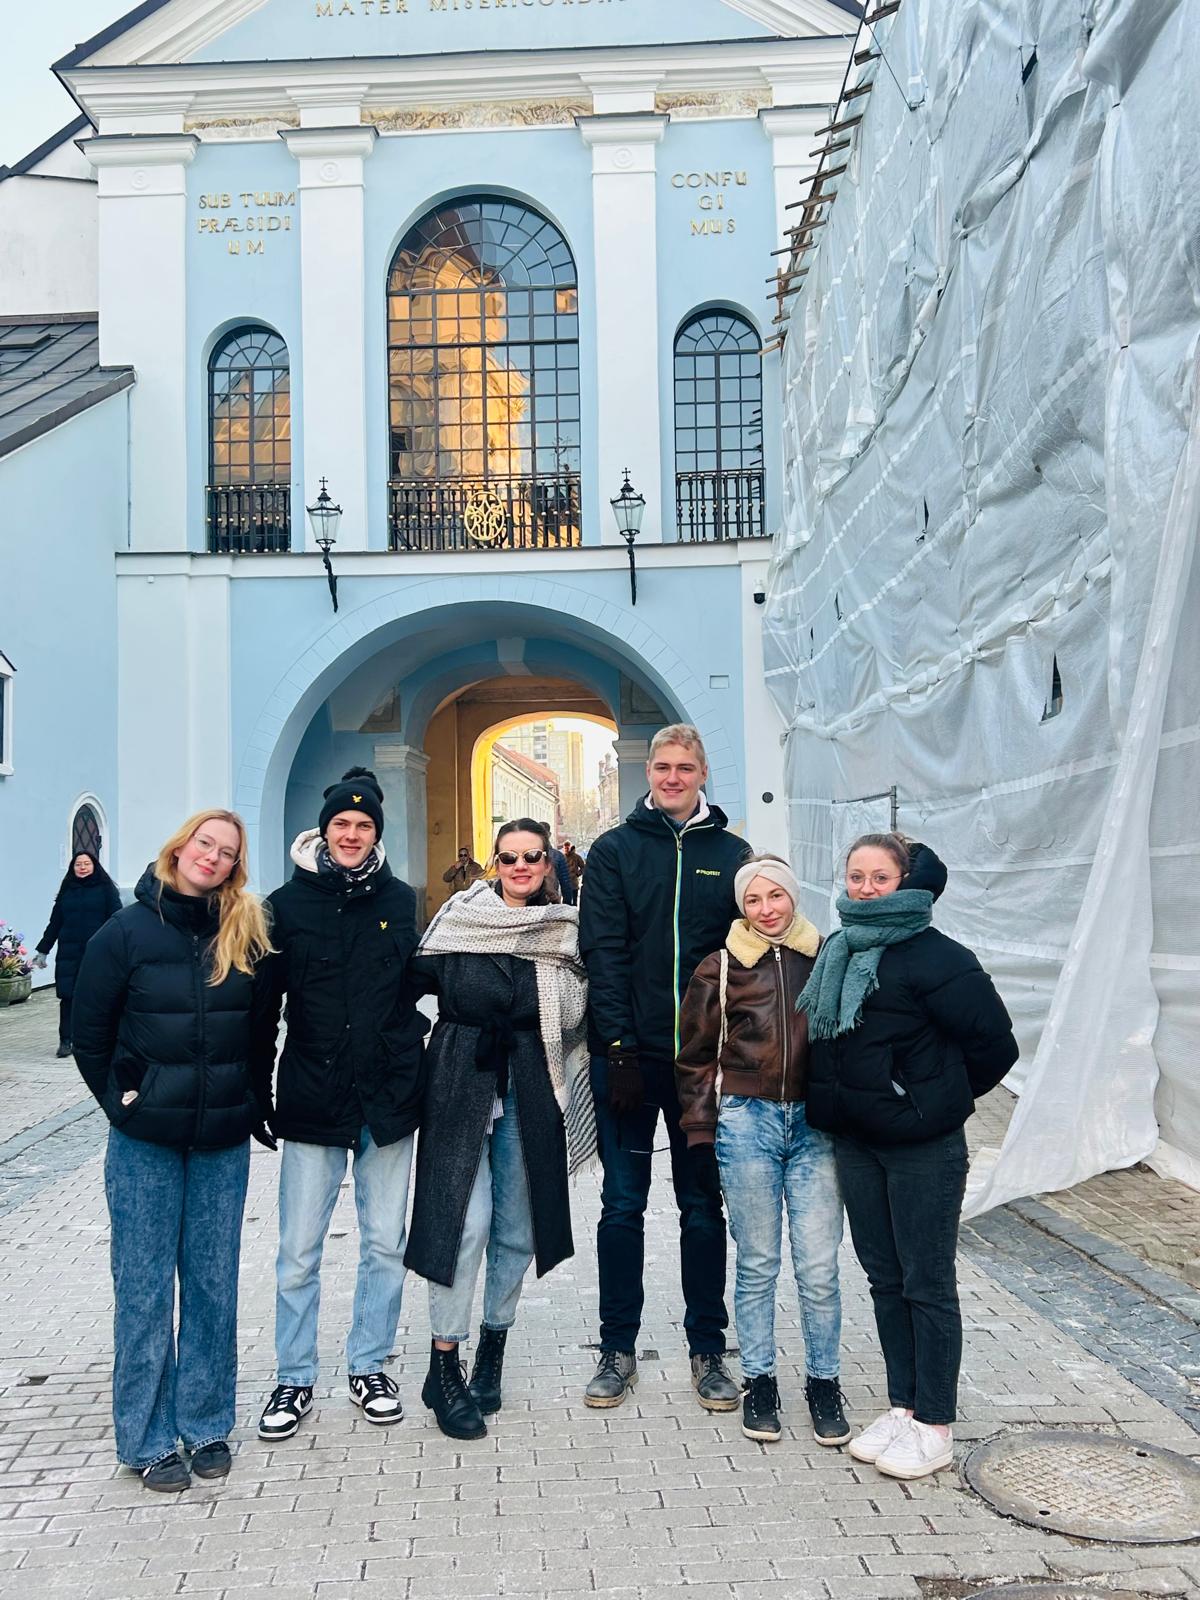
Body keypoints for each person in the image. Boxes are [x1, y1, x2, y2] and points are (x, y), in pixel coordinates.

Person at [799, 833, 1018, 1480]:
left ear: (907, 883)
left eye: (880, 878)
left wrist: (928, 1102)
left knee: (927, 1284)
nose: (866, 888)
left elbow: (994, 1046)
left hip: (923, 1149)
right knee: (885, 1279)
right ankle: (903, 1406)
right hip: (857, 1142)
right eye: (857, 876)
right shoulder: (839, 948)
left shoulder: (938, 957)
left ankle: (935, 1423)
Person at [70, 810, 274, 1491]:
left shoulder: (242, 931)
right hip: (145, 1145)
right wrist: (120, 1101)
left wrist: (251, 1100)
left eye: (225, 852)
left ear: (235, 866)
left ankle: (207, 1423)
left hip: (221, 1140)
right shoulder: (122, 933)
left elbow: (256, 1030)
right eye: (203, 844)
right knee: (146, 1291)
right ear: (180, 847)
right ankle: (148, 1438)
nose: (211, 858)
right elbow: (89, 1030)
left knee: (214, 1286)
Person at [251, 767, 427, 1443]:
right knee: (298, 1249)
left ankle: (368, 1365)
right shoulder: (283, 906)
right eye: (341, 825)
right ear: (323, 832)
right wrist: (257, 1090)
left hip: (385, 1098)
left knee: (385, 1243)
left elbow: (413, 987)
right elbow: (266, 1008)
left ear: (376, 834)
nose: (352, 835)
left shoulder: (400, 899)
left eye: (363, 826)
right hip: (313, 1095)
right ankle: (294, 1376)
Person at [579, 723, 750, 1410]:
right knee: (621, 1206)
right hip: (627, 1060)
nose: (672, 778)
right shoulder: (617, 849)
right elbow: (604, 949)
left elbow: (743, 957)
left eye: (685, 767)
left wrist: (728, 1049)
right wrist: (617, 1046)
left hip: (701, 1067)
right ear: (647, 772)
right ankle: (617, 1348)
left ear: (703, 773)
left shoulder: (731, 854)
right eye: (662, 766)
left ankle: (707, 1348)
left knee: (703, 1207)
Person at [405, 817, 593, 1441]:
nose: (520, 867)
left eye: (532, 858)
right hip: (461, 1081)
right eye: (509, 857)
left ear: (547, 866)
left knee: (517, 1228)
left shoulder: (565, 932)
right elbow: (405, 987)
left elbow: (578, 1013)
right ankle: (444, 1364)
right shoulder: (460, 920)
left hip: (533, 1088)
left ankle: (493, 1351)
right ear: (494, 862)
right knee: (465, 1221)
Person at [676, 854, 849, 1447]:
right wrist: (701, 1129)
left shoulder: (828, 957)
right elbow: (695, 1057)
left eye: (776, 896)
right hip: (746, 1121)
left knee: (820, 1266)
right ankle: (761, 1379)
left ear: (793, 897)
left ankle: (823, 1382)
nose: (766, 909)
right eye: (753, 899)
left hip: (816, 1122)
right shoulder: (720, 967)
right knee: (756, 1263)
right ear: (741, 906)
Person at [33, 851, 121, 1057]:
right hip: (69, 954)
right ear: (73, 868)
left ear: (94, 866)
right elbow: (55, 923)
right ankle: (66, 1041)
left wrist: (117, 948)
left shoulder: (106, 889)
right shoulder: (67, 891)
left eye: (86, 864)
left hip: (97, 954)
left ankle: (102, 1039)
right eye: (78, 864)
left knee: (98, 997)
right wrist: (42, 951)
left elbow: (117, 920)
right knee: (68, 997)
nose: (82, 867)